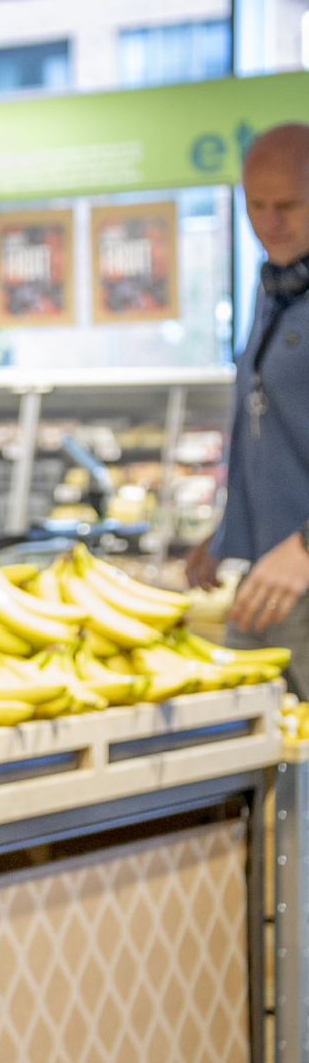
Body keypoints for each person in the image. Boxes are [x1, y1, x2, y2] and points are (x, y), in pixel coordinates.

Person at [190, 122, 309, 697]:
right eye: (255, 204)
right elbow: (274, 427)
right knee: (249, 747)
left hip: (299, 570)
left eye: (287, 205)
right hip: (266, 580)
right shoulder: (277, 286)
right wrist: (226, 531)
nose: (269, 222)